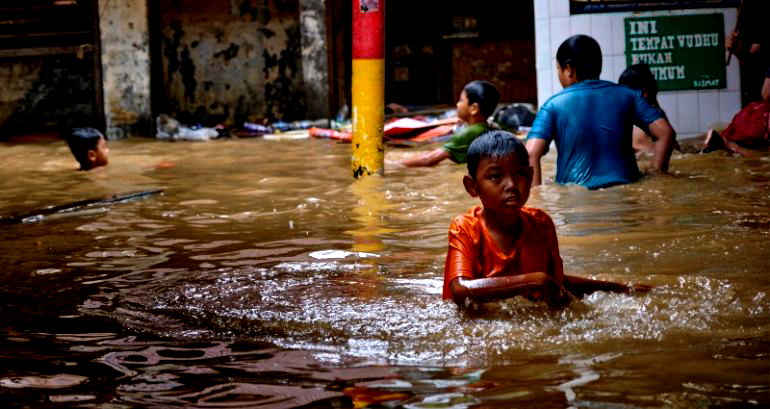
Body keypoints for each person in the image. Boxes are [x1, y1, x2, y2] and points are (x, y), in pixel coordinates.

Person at [443, 131, 650, 308]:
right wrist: (531, 281)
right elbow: (461, 289)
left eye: (520, 174)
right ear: (472, 186)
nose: (511, 185)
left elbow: (555, 285)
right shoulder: (465, 227)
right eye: (496, 176)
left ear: (531, 175)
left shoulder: (541, 223)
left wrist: (619, 288)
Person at [526, 35, 676, 190]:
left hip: (575, 203)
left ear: (569, 69)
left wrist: (535, 204)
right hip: (626, 196)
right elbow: (666, 133)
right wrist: (656, 173)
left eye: (559, 69)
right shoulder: (628, 95)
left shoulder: (553, 105)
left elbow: (531, 153)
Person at [399, 80, 499, 167]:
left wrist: (396, 164)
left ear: (474, 108)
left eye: (461, 100)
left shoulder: (467, 133)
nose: (457, 104)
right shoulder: (491, 128)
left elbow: (428, 160)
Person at [702, 65, 770, 156]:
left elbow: (766, 93)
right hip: (757, 120)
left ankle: (725, 144)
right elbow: (766, 93)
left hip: (753, 114)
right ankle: (727, 144)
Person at [618, 63, 681, 155]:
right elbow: (675, 149)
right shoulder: (653, 118)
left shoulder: (622, 115)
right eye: (653, 81)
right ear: (645, 91)